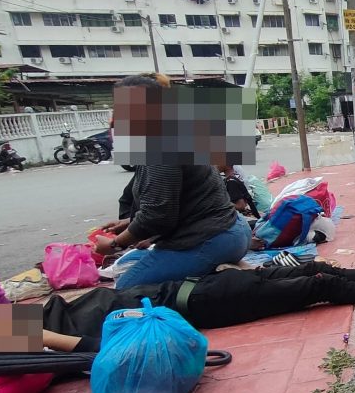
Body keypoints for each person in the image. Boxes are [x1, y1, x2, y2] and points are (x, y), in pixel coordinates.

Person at [42, 251, 355, 352]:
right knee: (318, 285)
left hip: (194, 286)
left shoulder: (18, 319)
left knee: (314, 267)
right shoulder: (11, 332)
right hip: (198, 301)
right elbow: (87, 348)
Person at [95, 74, 251, 288]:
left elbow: (158, 217)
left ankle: (224, 280)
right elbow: (177, 204)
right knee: (131, 266)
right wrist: (129, 224)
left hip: (212, 239)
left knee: (125, 290)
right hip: (229, 231)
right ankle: (220, 273)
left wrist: (113, 244)